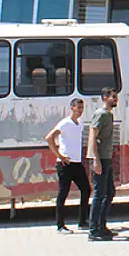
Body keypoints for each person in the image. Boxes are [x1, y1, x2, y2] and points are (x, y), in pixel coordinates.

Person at [46, 97, 89, 233]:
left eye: (82, 108)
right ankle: (60, 225)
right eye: (78, 108)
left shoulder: (80, 123)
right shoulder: (65, 123)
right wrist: (59, 155)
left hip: (77, 163)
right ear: (72, 108)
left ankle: (82, 221)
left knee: (86, 189)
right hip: (65, 163)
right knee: (63, 193)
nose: (80, 111)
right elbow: (49, 138)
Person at [87, 88, 118, 242]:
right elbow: (93, 135)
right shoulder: (101, 114)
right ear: (104, 98)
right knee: (99, 194)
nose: (115, 99)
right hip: (101, 158)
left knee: (110, 192)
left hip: (107, 157)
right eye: (113, 97)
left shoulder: (109, 115)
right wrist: (96, 159)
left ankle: (101, 225)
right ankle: (93, 230)